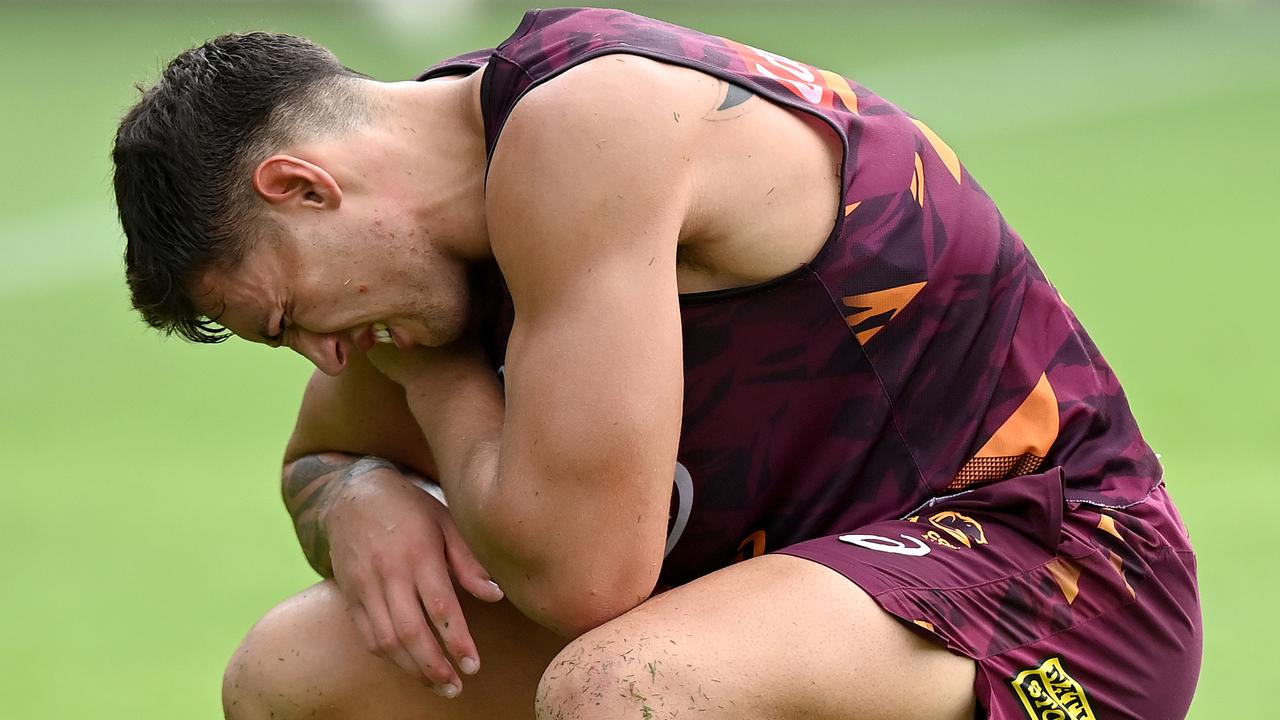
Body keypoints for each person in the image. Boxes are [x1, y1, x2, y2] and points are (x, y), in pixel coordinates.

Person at [113, 8, 1202, 720]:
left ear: (304, 188)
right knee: (295, 676)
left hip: (1056, 578)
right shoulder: (421, 252)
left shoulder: (585, 128)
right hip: (784, 611)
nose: (327, 352)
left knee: (626, 690)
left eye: (290, 316)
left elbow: (588, 580)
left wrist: (439, 383)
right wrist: (356, 492)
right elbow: (318, 461)